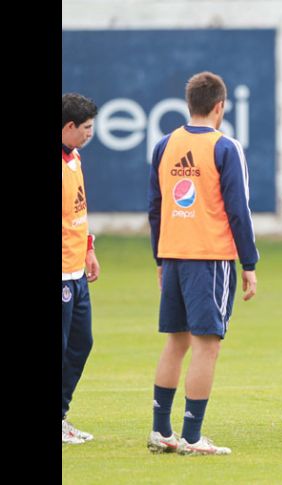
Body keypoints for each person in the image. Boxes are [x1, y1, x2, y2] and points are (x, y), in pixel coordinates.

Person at [147, 71, 258, 456]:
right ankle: (192, 437)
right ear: (220, 106)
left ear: (189, 104)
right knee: (206, 345)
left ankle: (161, 431)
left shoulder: (165, 144)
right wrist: (249, 262)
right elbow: (238, 211)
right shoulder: (226, 147)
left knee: (176, 341)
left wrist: (160, 257)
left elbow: (156, 206)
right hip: (210, 258)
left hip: (174, 254)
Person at [62, 93, 100, 444]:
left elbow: (78, 210)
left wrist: (88, 249)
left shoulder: (74, 157)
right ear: (69, 126)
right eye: (86, 128)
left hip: (76, 269)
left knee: (81, 342)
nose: (91, 133)